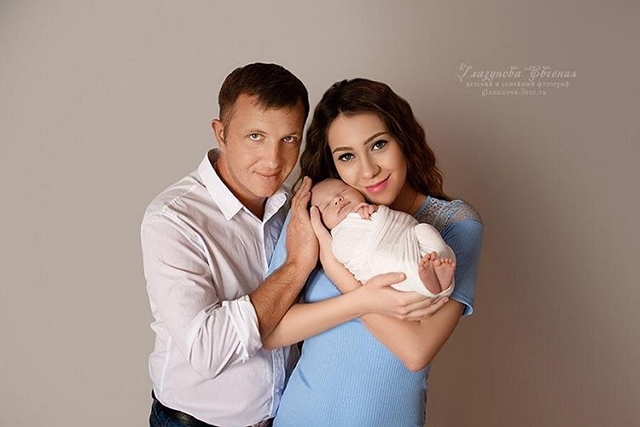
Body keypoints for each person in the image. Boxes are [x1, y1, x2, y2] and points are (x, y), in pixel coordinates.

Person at [142, 64, 435, 427]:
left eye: (289, 139)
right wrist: (297, 266)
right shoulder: (174, 219)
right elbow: (208, 351)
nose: (273, 160)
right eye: (255, 136)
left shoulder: (296, 207)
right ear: (221, 133)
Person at [264, 78, 484, 427]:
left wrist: (338, 273)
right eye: (347, 156)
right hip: (302, 416)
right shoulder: (318, 211)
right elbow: (270, 331)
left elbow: (416, 351)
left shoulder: (454, 225)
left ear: (404, 140)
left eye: (378, 144)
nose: (368, 170)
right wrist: (364, 300)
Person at [311, 177, 456, 297]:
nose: (337, 199)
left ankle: (439, 261)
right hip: (382, 260)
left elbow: (398, 224)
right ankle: (427, 283)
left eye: (343, 191)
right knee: (382, 260)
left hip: (407, 237)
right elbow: (350, 256)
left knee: (424, 229)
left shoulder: (371, 208)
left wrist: (375, 211)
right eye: (326, 205)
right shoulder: (337, 236)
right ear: (320, 220)